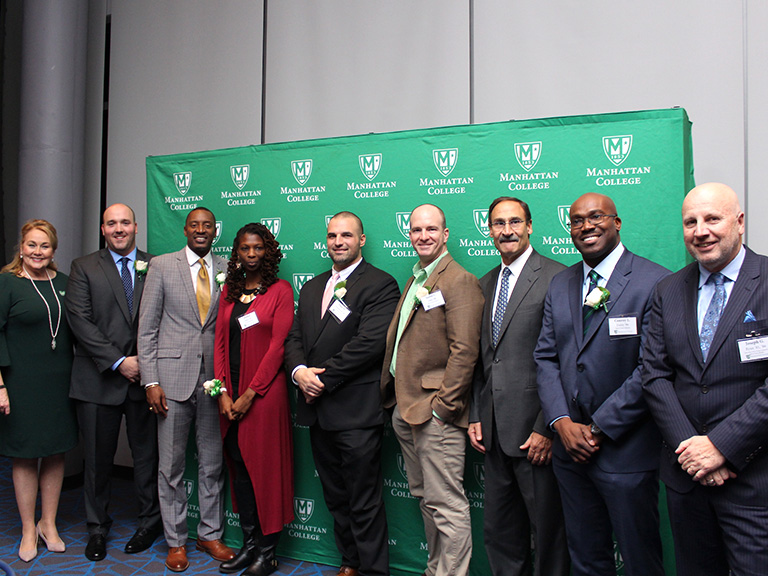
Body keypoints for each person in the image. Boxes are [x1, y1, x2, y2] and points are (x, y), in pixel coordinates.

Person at [534, 192, 668, 576]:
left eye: (596, 217)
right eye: (576, 220)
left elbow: (651, 368)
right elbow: (545, 358)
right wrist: (560, 421)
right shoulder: (560, 284)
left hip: (625, 452)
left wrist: (596, 428)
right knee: (586, 558)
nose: (586, 226)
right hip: (569, 453)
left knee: (639, 558)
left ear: (617, 222)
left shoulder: (654, 281)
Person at [642, 182, 768, 576]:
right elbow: (655, 375)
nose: (701, 231)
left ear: (740, 222)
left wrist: (721, 446)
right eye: (690, 222)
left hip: (754, 481)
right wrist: (694, 452)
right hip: (687, 479)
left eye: (713, 218)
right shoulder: (668, 290)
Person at [285, 212, 400, 576]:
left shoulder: (381, 284)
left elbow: (370, 345)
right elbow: (294, 340)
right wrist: (299, 373)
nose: (338, 242)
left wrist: (322, 378)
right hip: (316, 409)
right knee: (335, 495)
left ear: (361, 240)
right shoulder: (312, 287)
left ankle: (372, 571)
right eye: (333, 235)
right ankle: (349, 561)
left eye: (347, 235)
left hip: (356, 411)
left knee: (363, 500)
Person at [468, 196, 569, 576]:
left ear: (530, 226)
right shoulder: (484, 283)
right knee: (500, 532)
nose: (506, 230)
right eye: (498, 223)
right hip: (492, 434)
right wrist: (476, 414)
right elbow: (481, 359)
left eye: (514, 222)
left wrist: (548, 426)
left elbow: (565, 361)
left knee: (547, 533)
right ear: (489, 229)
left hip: (536, 434)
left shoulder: (558, 277)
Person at [381, 203, 483, 576]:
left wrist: (443, 407)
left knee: (447, 504)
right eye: (416, 230)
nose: (423, 236)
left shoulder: (458, 279)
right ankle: (435, 570)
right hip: (406, 408)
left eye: (430, 229)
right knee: (428, 500)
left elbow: (465, 351)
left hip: (434, 413)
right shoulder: (418, 278)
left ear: (445, 235)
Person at [138, 207, 235, 572]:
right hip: (171, 380)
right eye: (194, 225)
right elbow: (146, 329)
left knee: (212, 463)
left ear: (214, 231)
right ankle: (176, 540)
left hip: (214, 383)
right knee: (171, 467)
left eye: (206, 225)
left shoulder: (227, 268)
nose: (200, 230)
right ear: (185, 230)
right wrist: (151, 380)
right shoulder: (162, 266)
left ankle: (209, 534)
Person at [65, 203, 161, 561]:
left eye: (124, 222)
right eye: (111, 223)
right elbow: (81, 322)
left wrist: (145, 366)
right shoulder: (84, 267)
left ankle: (149, 523)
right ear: (102, 229)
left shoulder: (157, 266)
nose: (118, 229)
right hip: (98, 380)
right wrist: (120, 362)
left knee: (147, 458)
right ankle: (97, 528)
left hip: (146, 381)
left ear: (136, 227)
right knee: (96, 460)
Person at [213, 223, 294, 576]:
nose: (250, 254)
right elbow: (217, 344)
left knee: (266, 474)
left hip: (263, 398)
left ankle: (268, 552)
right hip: (229, 400)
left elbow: (278, 348)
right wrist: (222, 393)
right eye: (244, 248)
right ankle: (249, 546)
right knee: (240, 472)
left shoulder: (280, 291)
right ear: (237, 253)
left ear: (268, 251)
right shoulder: (228, 292)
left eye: (258, 248)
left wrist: (249, 394)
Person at [0, 219, 78, 562]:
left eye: (44, 246)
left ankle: (49, 523)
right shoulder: (6, 283)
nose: (37, 252)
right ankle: (28, 528)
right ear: (21, 247)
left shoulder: (63, 283)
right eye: (31, 245)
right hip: (20, 381)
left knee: (56, 450)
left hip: (60, 380)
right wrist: (0, 384)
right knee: (26, 453)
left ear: (53, 250)